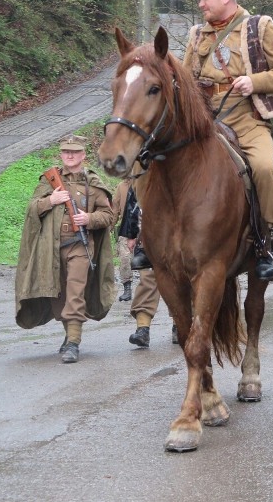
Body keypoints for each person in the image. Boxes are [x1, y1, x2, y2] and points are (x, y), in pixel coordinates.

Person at [182, 0, 273, 281]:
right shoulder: (196, 35)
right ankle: (146, 236)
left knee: (262, 167)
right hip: (205, 120)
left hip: (247, 118)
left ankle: (265, 241)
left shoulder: (258, 26)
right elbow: (183, 81)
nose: (200, 3)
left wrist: (255, 81)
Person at [14, 134, 116, 364]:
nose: (69, 155)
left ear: (83, 155)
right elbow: (32, 209)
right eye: (65, 152)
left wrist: (89, 218)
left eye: (74, 152)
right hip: (51, 247)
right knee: (58, 294)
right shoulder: (49, 181)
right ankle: (68, 332)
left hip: (80, 245)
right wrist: (51, 200)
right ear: (61, 154)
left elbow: (109, 215)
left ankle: (73, 342)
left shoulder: (91, 183)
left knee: (75, 291)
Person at [118, 185, 168, 348]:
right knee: (148, 280)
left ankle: (180, 325)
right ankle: (143, 328)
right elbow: (134, 195)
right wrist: (131, 234)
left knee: (180, 281)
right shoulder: (145, 167)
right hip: (150, 234)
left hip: (181, 233)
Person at [110, 177, 133, 301]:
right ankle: (127, 289)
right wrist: (109, 227)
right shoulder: (121, 186)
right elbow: (115, 209)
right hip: (126, 226)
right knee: (124, 258)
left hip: (145, 226)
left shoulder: (145, 181)